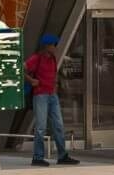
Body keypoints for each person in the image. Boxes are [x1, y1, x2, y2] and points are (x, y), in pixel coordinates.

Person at [25, 33, 79, 166]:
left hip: (52, 95)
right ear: (47, 46)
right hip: (40, 95)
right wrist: (31, 80)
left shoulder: (53, 59)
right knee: (41, 127)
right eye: (53, 45)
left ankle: (62, 155)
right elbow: (21, 68)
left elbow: (53, 75)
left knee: (58, 126)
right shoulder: (36, 58)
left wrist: (55, 86)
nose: (55, 47)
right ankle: (37, 157)